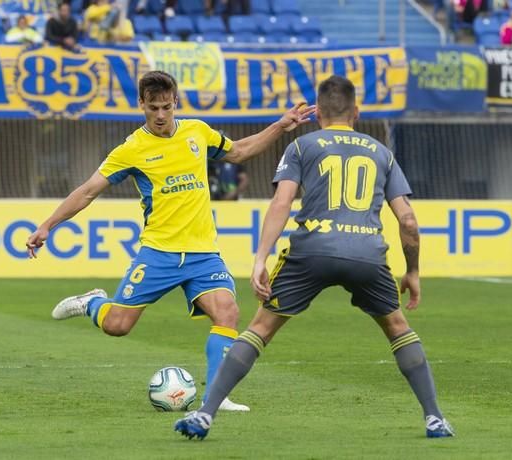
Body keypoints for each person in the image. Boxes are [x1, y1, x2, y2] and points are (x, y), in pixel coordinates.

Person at [174, 75, 454, 440]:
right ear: (356, 111)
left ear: (317, 112)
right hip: (366, 252)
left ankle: (205, 415)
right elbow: (409, 221)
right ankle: (434, 418)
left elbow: (282, 202)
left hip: (311, 250)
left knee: (260, 328)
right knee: (398, 329)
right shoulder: (382, 153)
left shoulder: (302, 146)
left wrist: (261, 259)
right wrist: (413, 271)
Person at [25, 70, 314, 412]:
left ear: (175, 101)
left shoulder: (197, 131)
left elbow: (238, 151)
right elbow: (88, 191)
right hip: (159, 253)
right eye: (153, 109)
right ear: (141, 105)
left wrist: (280, 125)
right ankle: (91, 303)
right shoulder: (131, 149)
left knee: (227, 312)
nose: (161, 115)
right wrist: (47, 225)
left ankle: (215, 397)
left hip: (203, 252)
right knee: (118, 326)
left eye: (166, 107)